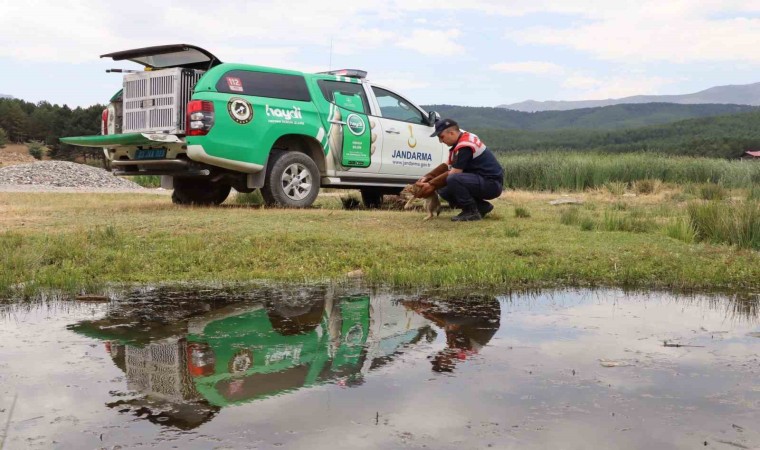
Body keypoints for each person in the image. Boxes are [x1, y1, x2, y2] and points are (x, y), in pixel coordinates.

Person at [415, 119, 504, 221]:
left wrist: (431, 185)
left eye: (441, 137)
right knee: (443, 189)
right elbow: (446, 165)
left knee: (453, 179)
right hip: (482, 181)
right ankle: (481, 207)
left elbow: (454, 173)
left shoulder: (465, 146)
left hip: (491, 184)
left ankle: (471, 212)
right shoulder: (461, 140)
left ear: (451, 133)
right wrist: (427, 177)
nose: (440, 141)